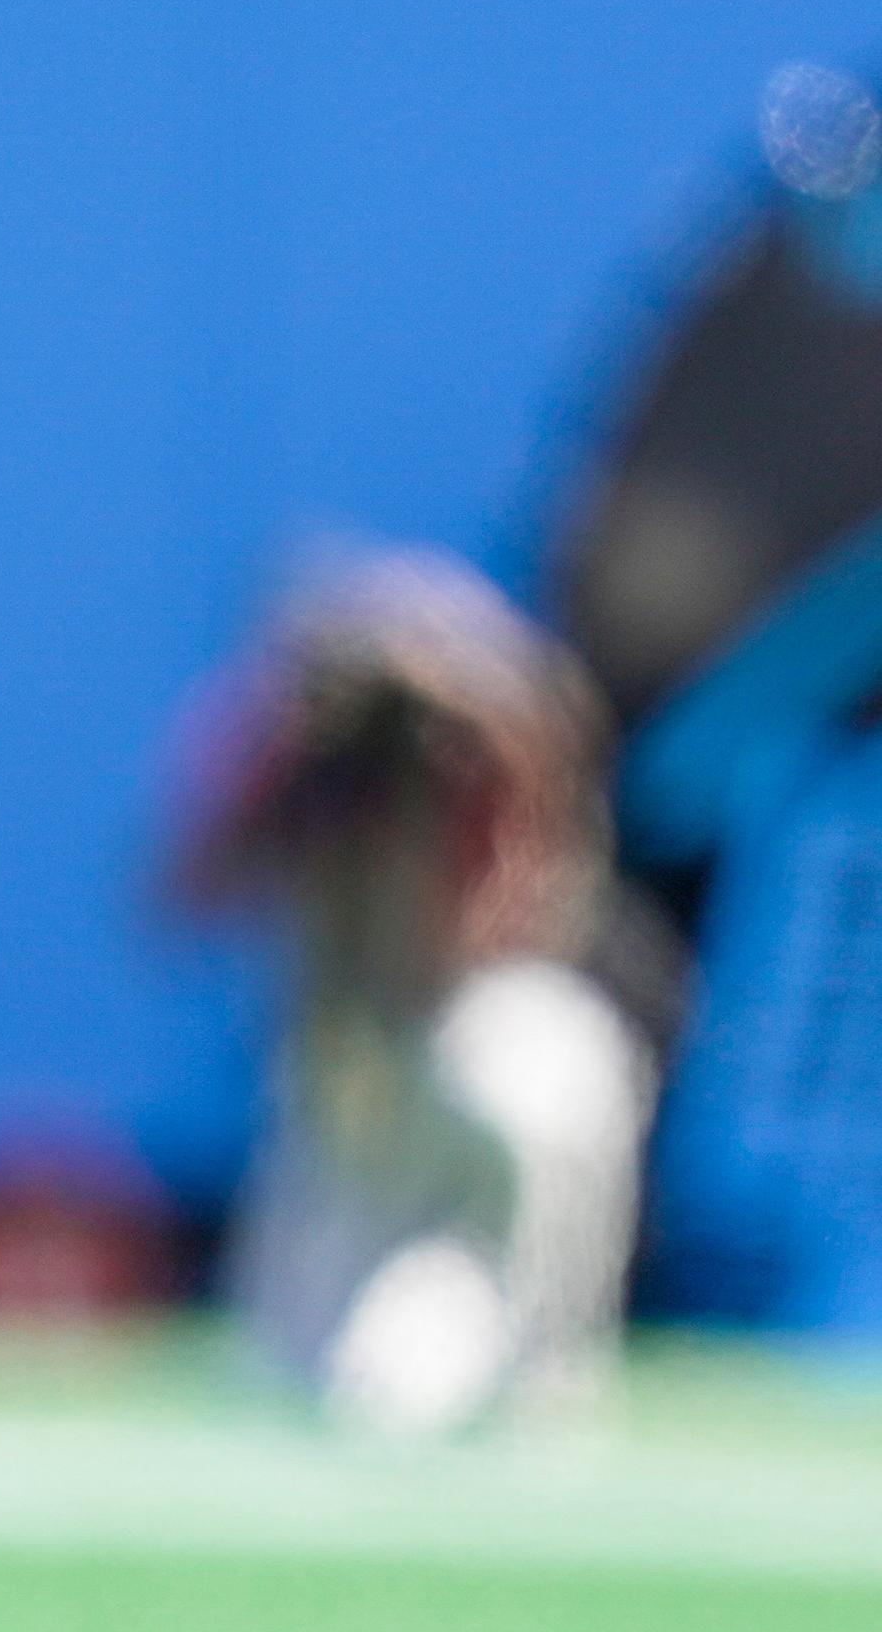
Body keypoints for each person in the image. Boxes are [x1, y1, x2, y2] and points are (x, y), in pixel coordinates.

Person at [169, 553, 654, 1438]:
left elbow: (523, 909)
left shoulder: (493, 746)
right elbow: (185, 897)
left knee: (533, 1137)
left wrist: (458, 709)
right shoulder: (297, 759)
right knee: (303, 1375)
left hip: (485, 1034)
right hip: (351, 1051)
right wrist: (277, 767)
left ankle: (530, 1391)